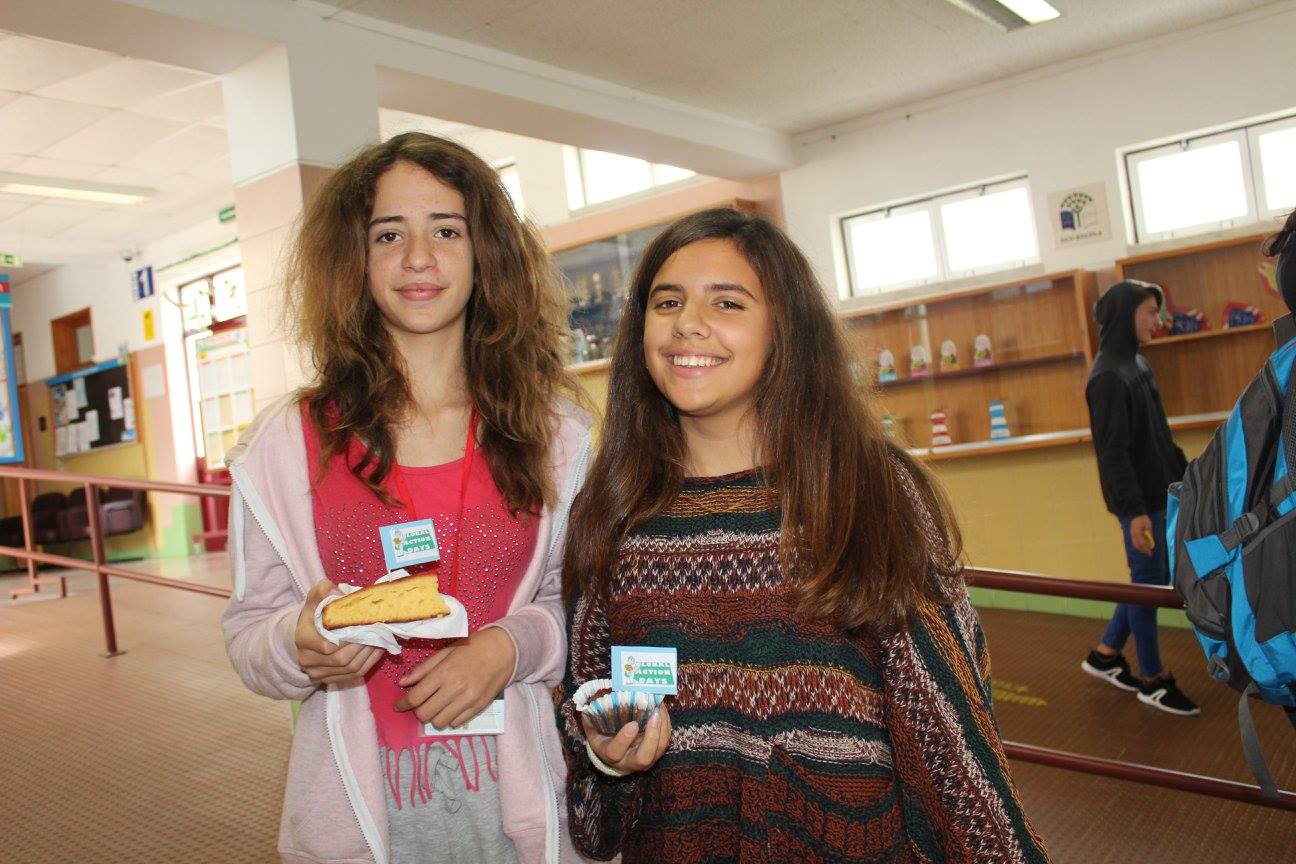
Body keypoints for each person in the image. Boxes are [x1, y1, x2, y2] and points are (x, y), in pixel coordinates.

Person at [556, 207, 1050, 863]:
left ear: (784, 330)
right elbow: (591, 715)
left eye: (727, 302)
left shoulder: (865, 492)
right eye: (666, 302)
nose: (687, 323)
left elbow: (947, 734)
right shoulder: (615, 510)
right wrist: (607, 751)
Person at [220, 132, 590, 864]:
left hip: (521, 806)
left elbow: (577, 607)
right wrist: (300, 643)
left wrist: (509, 647)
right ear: (354, 261)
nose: (418, 257)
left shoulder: (554, 434)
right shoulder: (286, 444)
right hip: (359, 813)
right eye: (388, 234)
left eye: (446, 231)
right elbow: (248, 633)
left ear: (485, 253)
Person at [1080, 279, 1199, 716]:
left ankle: (1106, 654)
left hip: (1160, 495)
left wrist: (1187, 476)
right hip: (1139, 504)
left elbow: (1158, 435)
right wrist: (1133, 513)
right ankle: (1153, 679)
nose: (1158, 320)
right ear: (1124, 316)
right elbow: (1112, 454)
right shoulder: (1107, 377)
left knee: (1149, 578)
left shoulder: (1138, 365)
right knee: (1149, 584)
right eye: (1149, 312)